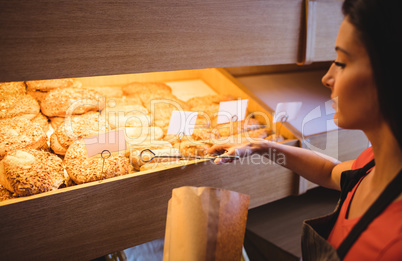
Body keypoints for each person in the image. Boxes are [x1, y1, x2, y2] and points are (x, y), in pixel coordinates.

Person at [208, 0, 402, 260]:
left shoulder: (391, 244)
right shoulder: (373, 163)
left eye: (342, 62)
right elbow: (330, 171)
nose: (326, 78)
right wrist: (260, 146)